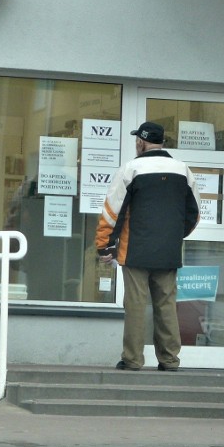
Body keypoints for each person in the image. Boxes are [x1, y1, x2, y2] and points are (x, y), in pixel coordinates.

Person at [95, 121, 201, 372]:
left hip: (135, 250)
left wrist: (105, 246)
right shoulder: (183, 170)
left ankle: (133, 359)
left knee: (135, 305)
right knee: (166, 305)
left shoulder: (131, 168)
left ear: (141, 142)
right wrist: (175, 235)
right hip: (168, 252)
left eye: (137, 140)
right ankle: (170, 360)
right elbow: (194, 213)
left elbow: (112, 211)